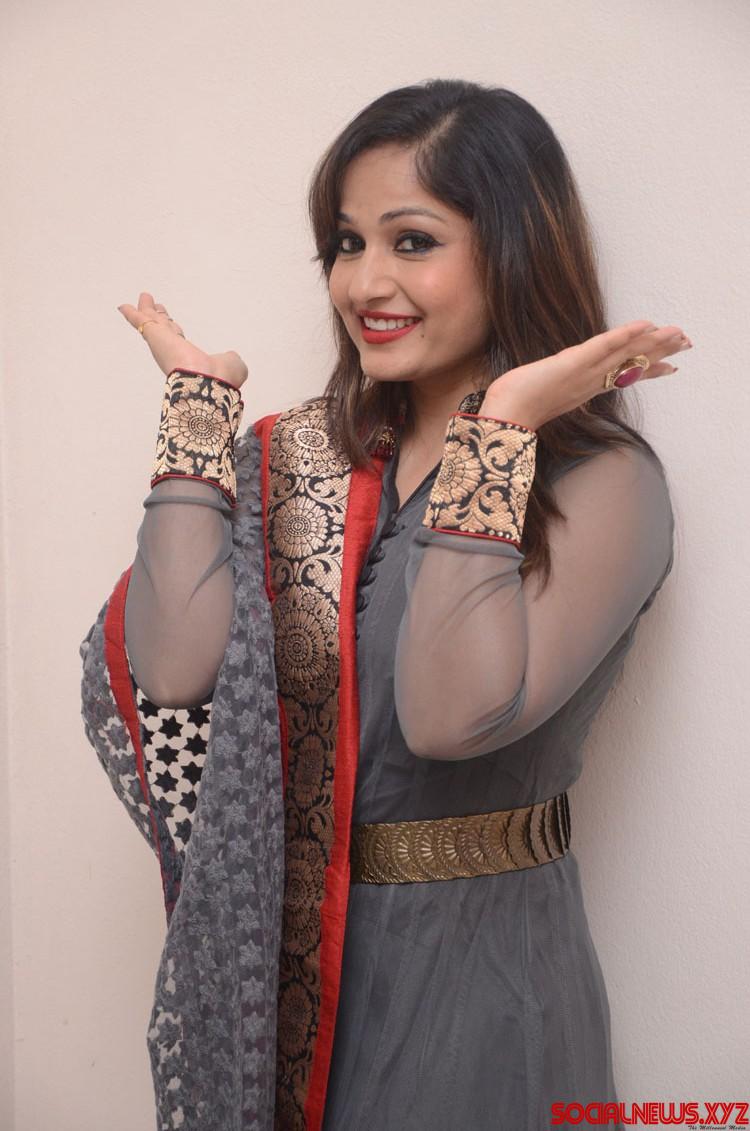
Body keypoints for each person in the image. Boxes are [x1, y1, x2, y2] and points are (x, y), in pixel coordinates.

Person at [79, 79, 690, 1131]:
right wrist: (196, 417)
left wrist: (501, 429)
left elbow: (452, 718)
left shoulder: (598, 480)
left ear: (513, 251)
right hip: (284, 980)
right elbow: (171, 674)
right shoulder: (300, 460)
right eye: (345, 243)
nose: (364, 281)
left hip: (482, 978)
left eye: (412, 241)